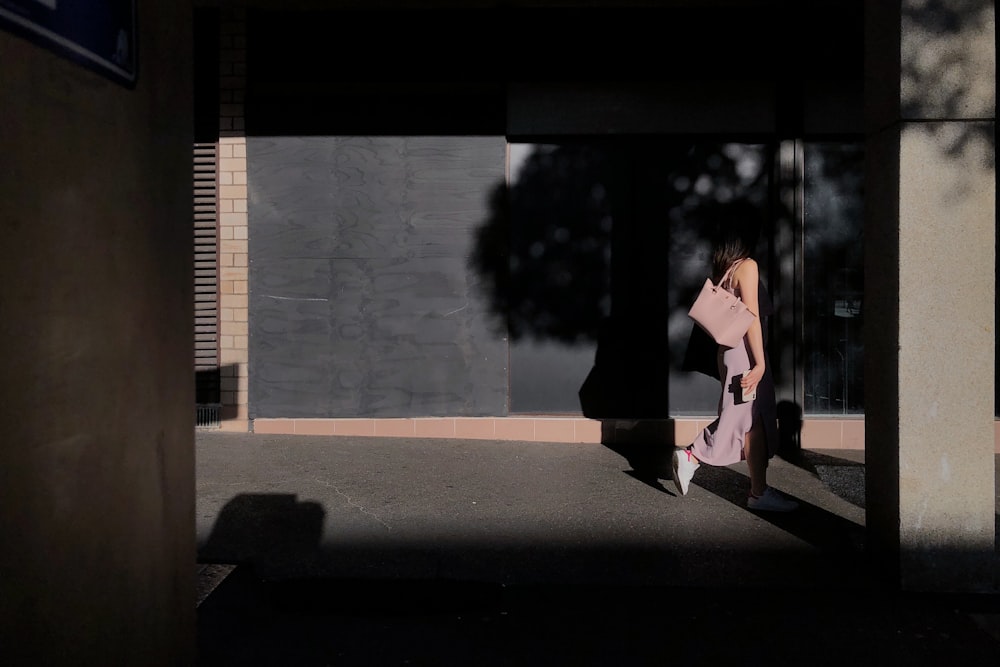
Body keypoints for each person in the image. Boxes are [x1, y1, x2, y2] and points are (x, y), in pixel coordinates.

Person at [673, 207, 798, 512]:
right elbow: (751, 319)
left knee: (751, 421)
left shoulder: (725, 267)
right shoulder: (748, 266)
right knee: (740, 417)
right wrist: (760, 364)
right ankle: (694, 455)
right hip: (745, 354)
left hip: (728, 353)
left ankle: (759, 493)